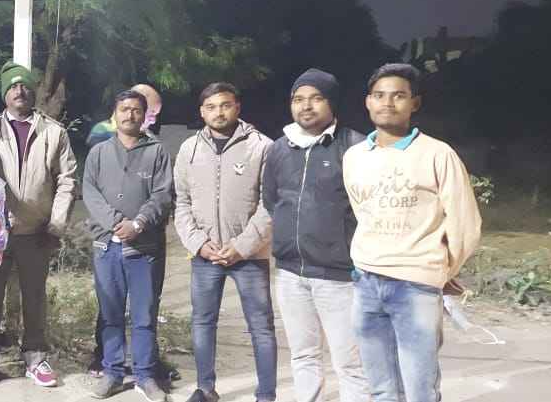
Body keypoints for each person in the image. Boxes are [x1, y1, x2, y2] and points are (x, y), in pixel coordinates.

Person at [344, 63, 482, 402]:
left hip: (415, 285)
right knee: (381, 388)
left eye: (398, 96)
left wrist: (440, 270)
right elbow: (362, 212)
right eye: (379, 96)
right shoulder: (355, 157)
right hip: (367, 282)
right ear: (368, 102)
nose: (387, 103)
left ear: (414, 103)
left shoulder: (437, 154)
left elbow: (465, 223)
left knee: (420, 390)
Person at [262, 68, 369, 402]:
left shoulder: (355, 147)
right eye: (298, 99)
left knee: (350, 363)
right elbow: (271, 200)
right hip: (291, 273)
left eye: (316, 98)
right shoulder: (279, 149)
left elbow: (368, 209)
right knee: (303, 355)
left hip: (339, 277)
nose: (306, 106)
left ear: (332, 103)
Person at [0, 62, 77, 388]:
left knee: (35, 297)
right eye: (12, 86)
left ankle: (35, 357)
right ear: (4, 93)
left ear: (33, 91)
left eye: (24, 85)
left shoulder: (53, 132)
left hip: (37, 233)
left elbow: (67, 180)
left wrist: (56, 223)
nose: (19, 91)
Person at [174, 82, 276, 402]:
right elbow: (181, 202)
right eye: (211, 107)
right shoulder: (189, 149)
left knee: (261, 327)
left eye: (225, 105)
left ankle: (266, 395)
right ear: (202, 112)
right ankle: (206, 389)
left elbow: (270, 204)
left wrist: (242, 246)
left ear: (237, 107)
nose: (219, 112)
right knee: (203, 323)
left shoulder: (262, 146)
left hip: (250, 256)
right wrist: (198, 244)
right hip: (205, 255)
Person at [84, 89, 172, 402]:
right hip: (107, 247)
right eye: (124, 109)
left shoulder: (157, 152)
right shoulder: (99, 152)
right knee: (110, 314)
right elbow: (90, 192)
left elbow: (163, 194)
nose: (130, 115)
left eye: (136, 110)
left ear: (144, 115)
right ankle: (112, 372)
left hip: (145, 247)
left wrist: (138, 224)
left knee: (144, 314)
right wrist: (116, 222)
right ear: (115, 113)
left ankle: (146, 375)